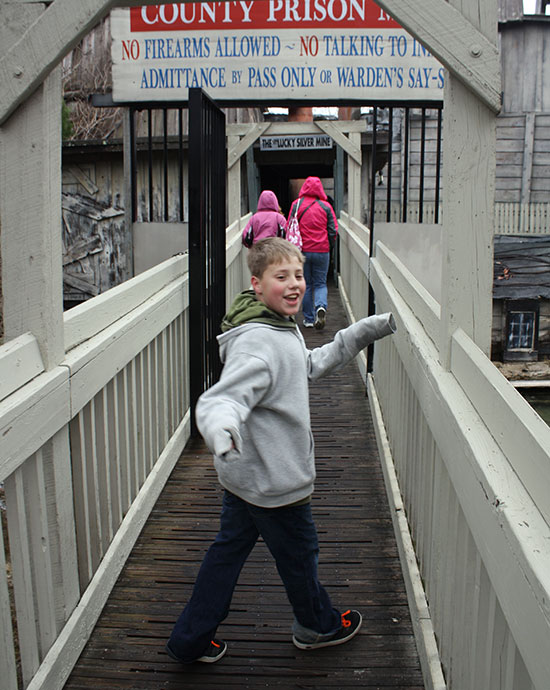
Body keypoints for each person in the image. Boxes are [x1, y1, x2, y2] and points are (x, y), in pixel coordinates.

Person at [165, 237, 396, 665]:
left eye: (298, 275)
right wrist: (220, 428)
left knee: (226, 554)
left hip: (245, 478)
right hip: (274, 484)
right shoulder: (258, 343)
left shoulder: (274, 327)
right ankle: (317, 626)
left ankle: (190, 640)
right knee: (299, 558)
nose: (295, 285)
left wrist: (365, 330)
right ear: (256, 283)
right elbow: (224, 400)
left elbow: (306, 365)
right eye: (281, 277)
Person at [286, 177, 337, 330]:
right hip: (322, 250)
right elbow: (333, 230)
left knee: (306, 284)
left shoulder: (297, 205)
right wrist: (329, 246)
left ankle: (308, 319)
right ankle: (320, 307)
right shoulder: (326, 206)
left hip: (302, 251)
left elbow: (290, 225)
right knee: (321, 283)